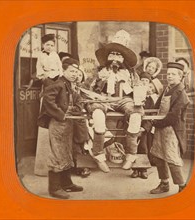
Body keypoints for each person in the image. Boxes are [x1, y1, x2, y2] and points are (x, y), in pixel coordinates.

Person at [85, 30, 145, 173]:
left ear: (124, 58)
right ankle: (99, 155)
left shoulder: (131, 73)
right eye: (113, 54)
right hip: (104, 99)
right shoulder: (98, 71)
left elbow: (138, 88)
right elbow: (87, 87)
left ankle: (131, 154)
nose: (115, 58)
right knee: (98, 116)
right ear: (107, 56)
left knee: (136, 116)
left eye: (119, 55)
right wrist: (98, 81)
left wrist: (141, 92)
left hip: (124, 100)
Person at [38, 58, 85, 199]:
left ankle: (66, 183)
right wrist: (61, 114)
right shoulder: (57, 84)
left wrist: (76, 109)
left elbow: (78, 101)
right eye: (71, 71)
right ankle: (54, 188)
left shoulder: (70, 86)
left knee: (66, 152)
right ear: (63, 71)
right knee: (57, 154)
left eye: (76, 72)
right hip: (58, 123)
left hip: (68, 124)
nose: (74, 74)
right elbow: (47, 99)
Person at [149, 62, 190, 194]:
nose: (170, 76)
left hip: (172, 129)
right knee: (158, 155)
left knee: (172, 158)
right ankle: (164, 183)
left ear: (180, 77)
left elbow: (173, 117)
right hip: (161, 127)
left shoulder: (181, 94)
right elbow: (157, 106)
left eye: (173, 74)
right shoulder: (167, 89)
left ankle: (182, 187)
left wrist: (155, 123)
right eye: (168, 74)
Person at [130, 72, 163, 179]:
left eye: (147, 82)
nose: (144, 83)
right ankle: (135, 169)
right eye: (142, 81)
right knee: (132, 147)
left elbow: (152, 114)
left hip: (144, 128)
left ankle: (143, 169)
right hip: (134, 126)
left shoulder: (151, 99)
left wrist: (144, 127)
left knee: (143, 147)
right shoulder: (134, 96)